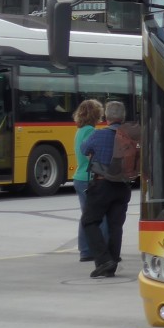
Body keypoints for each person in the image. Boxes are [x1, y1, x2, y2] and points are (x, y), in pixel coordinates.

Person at [80, 100, 138, 278]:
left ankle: (104, 260)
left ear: (106, 117)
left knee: (89, 222)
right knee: (115, 225)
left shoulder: (99, 135)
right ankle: (111, 262)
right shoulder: (131, 135)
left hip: (102, 184)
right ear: (123, 117)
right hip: (123, 186)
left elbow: (84, 149)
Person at [71, 99, 106, 262]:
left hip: (80, 176)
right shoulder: (90, 131)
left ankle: (85, 250)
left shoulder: (80, 130)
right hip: (88, 177)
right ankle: (93, 249)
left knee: (86, 214)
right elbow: (92, 153)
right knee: (99, 215)